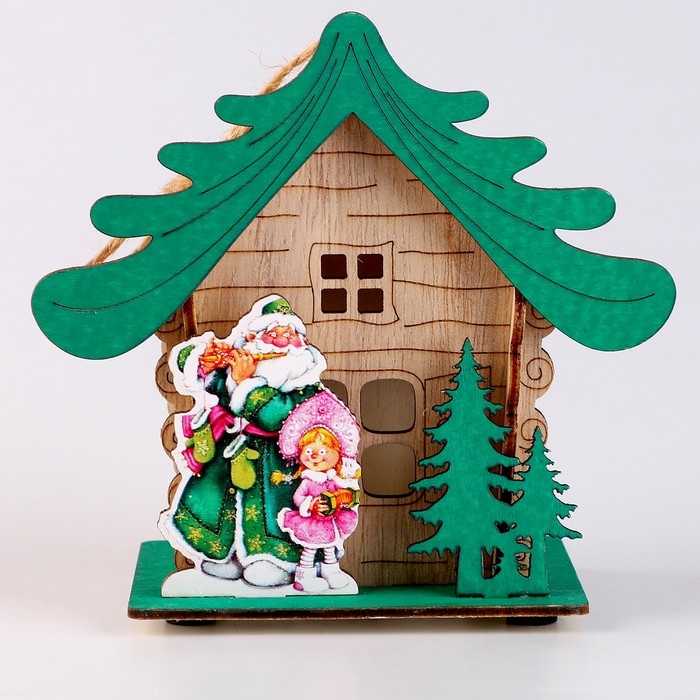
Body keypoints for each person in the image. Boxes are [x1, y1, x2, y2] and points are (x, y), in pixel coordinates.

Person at [158, 295, 327, 588]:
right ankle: (225, 553)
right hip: (230, 451)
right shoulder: (241, 365)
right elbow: (196, 370)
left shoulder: (304, 385)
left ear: (303, 342)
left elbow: (276, 417)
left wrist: (245, 383)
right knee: (221, 502)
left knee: (268, 509)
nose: (283, 342)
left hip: (276, 461)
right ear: (254, 339)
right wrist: (204, 356)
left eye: (290, 335)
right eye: (274, 334)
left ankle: (271, 559)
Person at [276, 389, 361, 593]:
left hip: (330, 521)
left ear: (337, 453)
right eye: (308, 451)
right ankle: (304, 576)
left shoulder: (333, 479)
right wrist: (310, 504)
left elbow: (346, 493)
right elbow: (298, 497)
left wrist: (345, 496)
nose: (315, 456)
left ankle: (330, 572)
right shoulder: (308, 481)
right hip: (312, 522)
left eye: (322, 451)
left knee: (330, 547)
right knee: (310, 549)